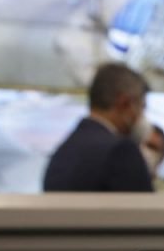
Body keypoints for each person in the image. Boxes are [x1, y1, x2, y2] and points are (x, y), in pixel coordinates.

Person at [43, 63, 153, 192]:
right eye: (142, 106)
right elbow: (143, 204)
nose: (141, 115)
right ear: (124, 103)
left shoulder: (64, 151)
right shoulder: (121, 152)